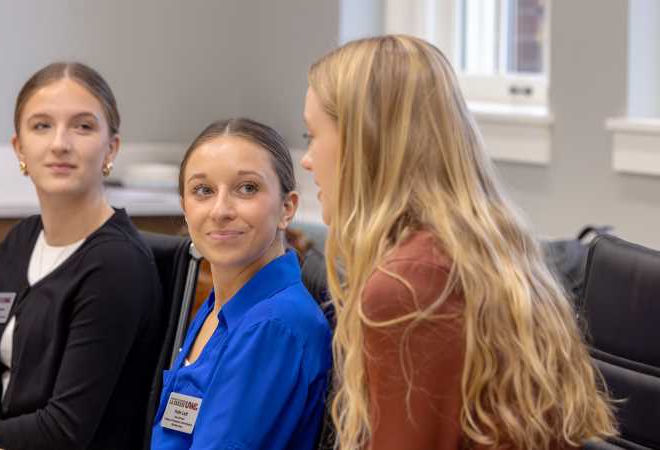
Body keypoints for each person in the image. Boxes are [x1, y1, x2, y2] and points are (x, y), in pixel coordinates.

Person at [300, 35, 617, 450]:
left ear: (364, 144)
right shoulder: (487, 245)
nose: (306, 159)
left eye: (312, 136)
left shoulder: (409, 285)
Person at [0, 62, 164, 450]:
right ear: (19, 147)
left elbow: (63, 432)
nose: (60, 143)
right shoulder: (18, 243)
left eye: (83, 126)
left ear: (111, 148)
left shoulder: (116, 265)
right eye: (41, 126)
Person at [150, 118, 332, 450]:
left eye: (247, 188)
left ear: (287, 208)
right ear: (185, 209)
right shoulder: (219, 306)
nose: (220, 210)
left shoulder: (274, 327)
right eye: (203, 191)